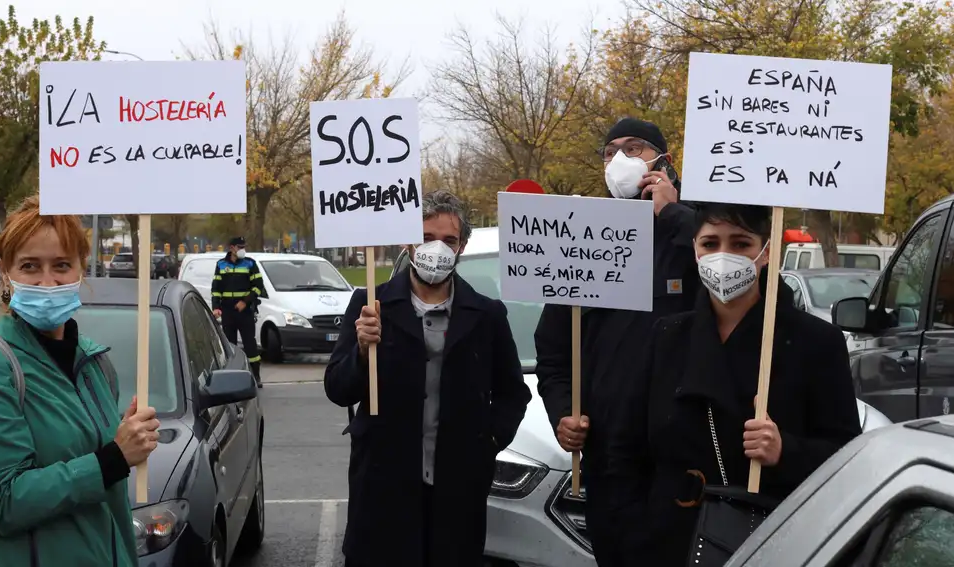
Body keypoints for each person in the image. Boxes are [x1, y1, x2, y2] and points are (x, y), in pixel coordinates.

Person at [607, 203, 862, 565]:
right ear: (694, 249)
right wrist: (634, 537)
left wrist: (784, 451)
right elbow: (626, 451)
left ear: (766, 252)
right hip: (667, 545)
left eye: (740, 243)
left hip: (771, 542)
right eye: (710, 244)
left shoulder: (816, 343)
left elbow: (847, 457)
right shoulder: (665, 336)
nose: (723, 256)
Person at [325, 190, 532, 567]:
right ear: (408, 242)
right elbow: (338, 389)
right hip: (383, 490)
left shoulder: (487, 316)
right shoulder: (370, 304)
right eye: (426, 237)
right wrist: (360, 349)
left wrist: (488, 443)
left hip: (456, 492)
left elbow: (513, 393)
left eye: (448, 240)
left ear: (462, 246)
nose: (436, 248)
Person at [0, 195, 160, 567]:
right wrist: (112, 458)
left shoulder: (95, 363)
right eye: (30, 266)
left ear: (82, 269)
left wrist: (127, 436)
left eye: (61, 265)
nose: (47, 282)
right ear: (6, 271)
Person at [533, 117, 700, 565]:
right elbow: (552, 355)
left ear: (664, 160)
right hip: (612, 466)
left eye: (634, 148)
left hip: (685, 466)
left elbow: (738, 294)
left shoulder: (695, 231)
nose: (619, 160)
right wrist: (563, 412)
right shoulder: (580, 242)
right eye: (610, 152)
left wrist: (673, 214)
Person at [212, 236, 266, 386]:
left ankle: (256, 376)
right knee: (230, 345)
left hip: (245, 311)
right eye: (239, 246)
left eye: (244, 246)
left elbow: (258, 286)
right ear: (232, 248)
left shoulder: (250, 264)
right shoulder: (221, 265)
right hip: (228, 311)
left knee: (250, 345)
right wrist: (216, 307)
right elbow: (216, 289)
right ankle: (232, 378)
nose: (242, 249)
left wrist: (245, 301)